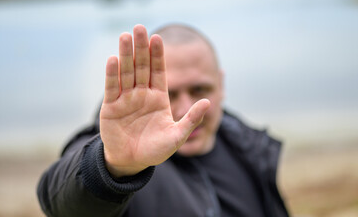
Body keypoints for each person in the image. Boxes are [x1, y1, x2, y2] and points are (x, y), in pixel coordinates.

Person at [37, 24, 289, 217]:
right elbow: (61, 200)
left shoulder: (246, 146)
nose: (184, 109)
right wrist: (114, 169)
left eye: (200, 89)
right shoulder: (114, 153)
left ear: (221, 85)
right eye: (168, 94)